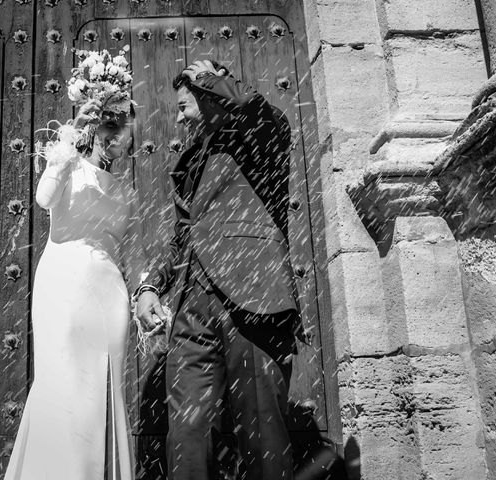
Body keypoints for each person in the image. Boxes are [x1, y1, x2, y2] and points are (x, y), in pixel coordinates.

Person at [134, 60, 307, 480]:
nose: (176, 118)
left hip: (253, 298)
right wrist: (152, 286)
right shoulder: (189, 161)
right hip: (193, 309)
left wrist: (208, 77)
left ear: (208, 95)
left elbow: (257, 110)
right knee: (187, 431)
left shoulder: (258, 135)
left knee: (262, 433)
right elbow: (182, 233)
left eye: (183, 104)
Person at [3, 98, 143, 480]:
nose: (117, 137)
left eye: (125, 131)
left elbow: (132, 251)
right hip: (63, 287)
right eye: (110, 127)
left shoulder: (128, 192)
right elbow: (43, 198)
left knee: (103, 391)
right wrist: (69, 136)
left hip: (109, 297)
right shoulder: (68, 166)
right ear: (96, 129)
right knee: (64, 383)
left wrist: (145, 294)